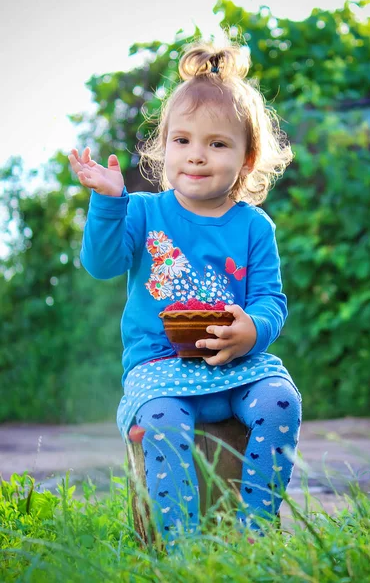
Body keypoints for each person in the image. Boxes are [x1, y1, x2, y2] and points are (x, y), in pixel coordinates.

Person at [68, 39, 302, 544]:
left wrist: (252, 330)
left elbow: (270, 300)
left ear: (247, 157)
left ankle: (255, 531)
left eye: (217, 144)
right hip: (160, 368)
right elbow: (102, 264)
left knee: (282, 400)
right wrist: (109, 203)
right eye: (182, 141)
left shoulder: (255, 227)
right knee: (161, 422)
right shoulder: (144, 212)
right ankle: (182, 547)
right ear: (165, 145)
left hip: (237, 367)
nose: (197, 156)